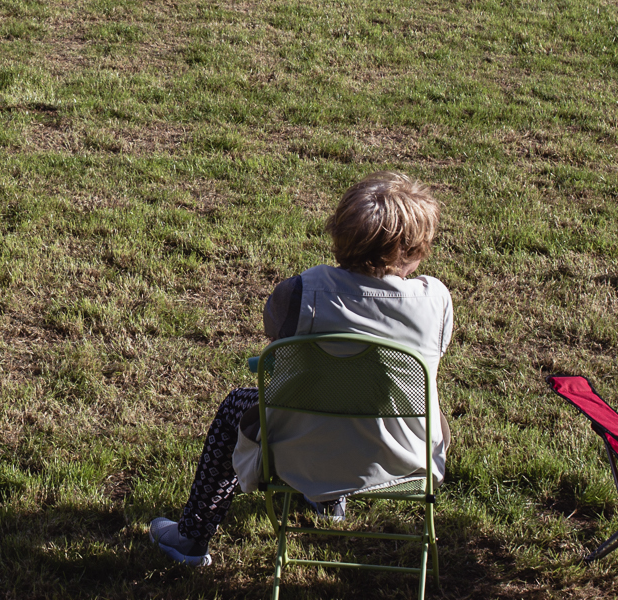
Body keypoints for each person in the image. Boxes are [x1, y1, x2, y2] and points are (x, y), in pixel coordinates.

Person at [147, 173, 453, 567]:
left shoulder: (300, 292)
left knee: (242, 406)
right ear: (411, 248)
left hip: (297, 452)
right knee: (370, 393)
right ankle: (329, 499)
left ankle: (192, 537)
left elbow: (277, 342)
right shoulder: (436, 301)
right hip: (403, 458)